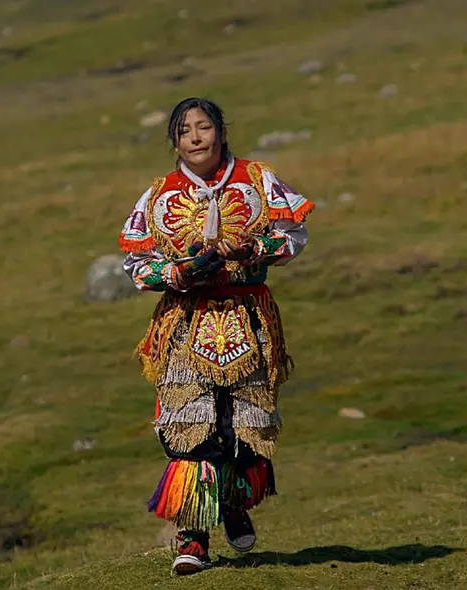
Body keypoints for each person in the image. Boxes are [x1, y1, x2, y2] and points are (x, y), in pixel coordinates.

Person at [118, 97, 314, 575]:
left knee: (245, 425)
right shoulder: (159, 195)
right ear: (175, 143)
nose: (195, 138)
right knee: (190, 427)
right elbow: (137, 264)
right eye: (184, 132)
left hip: (248, 317)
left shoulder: (256, 179)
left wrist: (255, 247)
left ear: (221, 132)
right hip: (186, 323)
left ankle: (232, 503)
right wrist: (179, 272)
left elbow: (295, 233)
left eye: (204, 127)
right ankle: (192, 541)